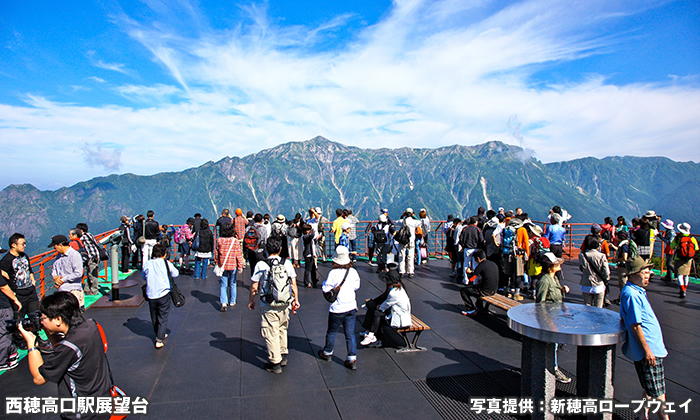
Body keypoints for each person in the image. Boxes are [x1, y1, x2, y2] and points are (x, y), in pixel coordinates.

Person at [18, 292, 111, 420]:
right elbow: (67, 352)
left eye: (43, 318)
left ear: (58, 319)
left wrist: (31, 343)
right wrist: (48, 330)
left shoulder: (69, 346)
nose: (42, 322)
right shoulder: (91, 326)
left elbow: (39, 378)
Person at [619, 256, 670, 420]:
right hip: (649, 350)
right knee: (660, 396)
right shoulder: (632, 295)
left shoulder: (635, 291)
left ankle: (643, 415)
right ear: (634, 273)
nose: (649, 275)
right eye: (645, 272)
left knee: (651, 387)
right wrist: (647, 350)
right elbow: (635, 325)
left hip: (652, 348)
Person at [248, 238, 300, 374]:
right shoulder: (287, 263)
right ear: (280, 249)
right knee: (283, 327)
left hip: (268, 303)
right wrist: (296, 300)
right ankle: (283, 354)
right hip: (285, 302)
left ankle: (275, 362)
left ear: (266, 250)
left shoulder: (261, 265)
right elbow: (293, 283)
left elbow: (254, 285)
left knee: (271, 332)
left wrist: (252, 300)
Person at [0, 233, 51, 353]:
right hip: (19, 294)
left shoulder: (24, 256)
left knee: (35, 316)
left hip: (31, 292)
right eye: (22, 244)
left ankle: (36, 337)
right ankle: (19, 340)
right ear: (13, 245)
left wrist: (32, 280)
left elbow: (29, 269)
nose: (25, 245)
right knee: (19, 319)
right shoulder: (6, 260)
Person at [318, 246, 360, 370]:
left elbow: (325, 288)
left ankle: (328, 352)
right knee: (350, 334)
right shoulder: (353, 271)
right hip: (351, 306)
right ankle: (352, 358)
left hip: (337, 308)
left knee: (332, 331)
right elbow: (356, 286)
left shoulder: (333, 273)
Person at [534, 252, 572, 384]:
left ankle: (552, 367)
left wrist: (561, 290)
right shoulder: (544, 281)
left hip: (555, 316)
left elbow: (552, 294)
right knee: (552, 346)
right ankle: (553, 369)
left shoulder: (554, 278)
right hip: (549, 318)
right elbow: (539, 302)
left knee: (554, 345)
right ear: (550, 266)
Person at [360, 263, 411, 349]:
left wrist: (370, 304)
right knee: (373, 307)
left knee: (377, 312)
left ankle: (371, 334)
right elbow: (383, 298)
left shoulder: (394, 293)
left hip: (399, 317)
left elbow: (382, 308)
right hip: (394, 311)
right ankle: (371, 333)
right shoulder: (396, 288)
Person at [143, 244, 179, 348]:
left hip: (151, 294)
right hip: (163, 293)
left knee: (154, 315)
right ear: (164, 254)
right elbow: (176, 273)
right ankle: (159, 338)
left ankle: (159, 333)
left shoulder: (147, 264)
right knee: (163, 316)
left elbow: (143, 276)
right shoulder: (166, 263)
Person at [49, 235, 85, 312]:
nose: (54, 249)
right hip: (62, 290)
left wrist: (62, 280)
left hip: (73, 290)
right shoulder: (59, 256)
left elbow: (78, 273)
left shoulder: (75, 255)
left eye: (55, 247)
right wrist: (55, 277)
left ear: (60, 245)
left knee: (73, 313)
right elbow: (54, 269)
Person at [459, 250, 498, 316]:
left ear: (478, 258)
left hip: (485, 291)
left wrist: (468, 272)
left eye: (475, 260)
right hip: (494, 290)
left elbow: (471, 279)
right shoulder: (492, 263)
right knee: (479, 286)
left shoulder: (481, 265)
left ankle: (470, 309)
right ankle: (480, 306)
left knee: (463, 291)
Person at [216, 223, 245, 311]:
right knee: (233, 283)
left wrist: (217, 263)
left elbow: (217, 254)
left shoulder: (219, 240)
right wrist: (240, 265)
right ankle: (232, 301)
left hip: (223, 265)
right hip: (233, 265)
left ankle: (224, 302)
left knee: (223, 284)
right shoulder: (235, 241)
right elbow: (238, 254)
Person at [0, 245, 20, 371]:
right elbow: (3, 287)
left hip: (2, 306)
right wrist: (15, 299)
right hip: (3, 306)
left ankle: (6, 358)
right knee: (4, 332)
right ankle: (8, 356)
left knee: (3, 332)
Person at [579, 235, 610, 308]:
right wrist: (606, 278)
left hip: (586, 282)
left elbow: (581, 268)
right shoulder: (601, 256)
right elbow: (606, 271)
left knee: (587, 307)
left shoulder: (582, 256)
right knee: (598, 308)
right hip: (598, 283)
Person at [671, 223, 698, 298]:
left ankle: (682, 289)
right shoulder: (692, 238)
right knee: (686, 275)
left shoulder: (678, 238)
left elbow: (672, 246)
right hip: (688, 259)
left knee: (679, 275)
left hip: (679, 258)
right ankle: (685, 289)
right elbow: (696, 248)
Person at [397, 208, 422, 278]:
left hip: (403, 240)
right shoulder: (414, 222)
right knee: (411, 256)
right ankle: (410, 272)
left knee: (402, 255)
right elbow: (420, 221)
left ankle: (401, 271)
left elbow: (396, 222)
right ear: (411, 214)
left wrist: (402, 216)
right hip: (411, 240)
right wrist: (414, 216)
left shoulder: (403, 221)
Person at [76, 223, 100, 295]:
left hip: (92, 257)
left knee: (92, 274)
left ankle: (94, 291)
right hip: (95, 255)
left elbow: (76, 239)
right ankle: (87, 289)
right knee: (90, 273)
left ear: (81, 230)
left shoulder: (83, 236)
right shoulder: (89, 234)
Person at [459, 216, 484, 284]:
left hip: (467, 249)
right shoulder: (478, 229)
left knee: (466, 264)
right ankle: (474, 281)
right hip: (476, 249)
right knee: (475, 265)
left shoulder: (465, 229)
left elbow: (461, 239)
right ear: (476, 222)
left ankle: (466, 280)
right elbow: (481, 240)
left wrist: (463, 245)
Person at [611, 230, 631, 304]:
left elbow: (624, 257)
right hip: (627, 266)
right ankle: (620, 298)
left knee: (623, 283)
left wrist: (616, 260)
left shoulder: (624, 245)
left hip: (623, 266)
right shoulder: (627, 244)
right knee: (623, 283)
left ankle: (623, 300)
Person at [302, 223, 322, 288]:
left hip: (311, 254)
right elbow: (311, 236)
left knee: (313, 268)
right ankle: (307, 282)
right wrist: (313, 229)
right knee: (308, 269)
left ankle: (314, 280)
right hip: (308, 254)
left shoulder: (308, 237)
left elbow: (313, 239)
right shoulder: (305, 237)